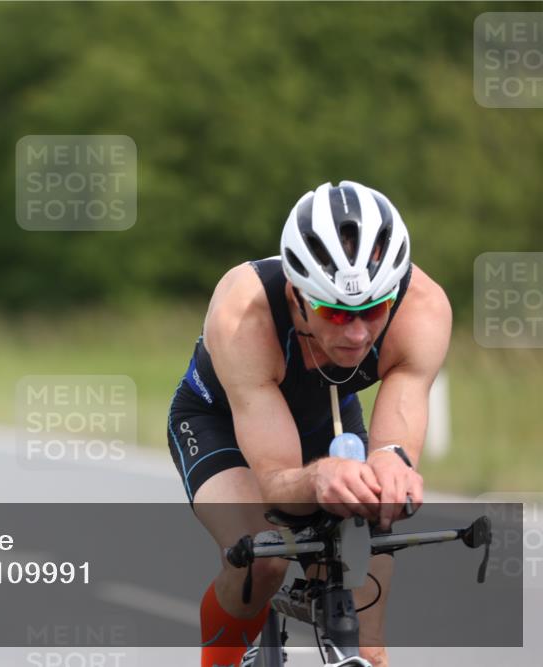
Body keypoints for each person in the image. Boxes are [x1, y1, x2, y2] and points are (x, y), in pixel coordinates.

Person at [166, 181, 451, 667]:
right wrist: (319, 478)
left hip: (328, 416)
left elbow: (395, 441)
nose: (357, 334)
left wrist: (393, 464)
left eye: (373, 310)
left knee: (368, 632)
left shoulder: (422, 308)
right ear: (297, 297)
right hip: (221, 419)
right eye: (336, 313)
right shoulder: (244, 313)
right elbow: (278, 481)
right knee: (264, 556)